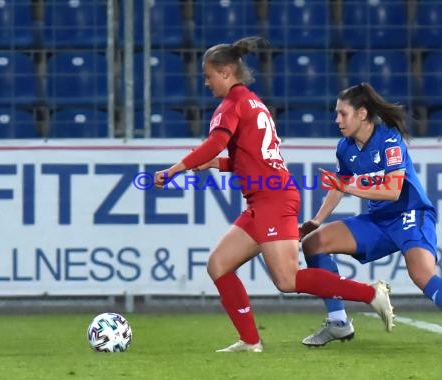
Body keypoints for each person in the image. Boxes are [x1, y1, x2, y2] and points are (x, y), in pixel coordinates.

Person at [153, 37, 394, 353]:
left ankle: (370, 293)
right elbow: (256, 157)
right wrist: (218, 164)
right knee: (219, 265)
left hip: (273, 199)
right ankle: (250, 341)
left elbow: (215, 143)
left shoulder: (230, 106)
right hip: (263, 199)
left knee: (287, 280)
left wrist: (174, 170)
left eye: (208, 75)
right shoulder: (253, 102)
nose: (206, 82)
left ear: (226, 72)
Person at [298, 82, 442, 351]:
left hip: (410, 215)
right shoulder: (345, 147)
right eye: (336, 113)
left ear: (362, 114)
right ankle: (338, 322)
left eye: (342, 113)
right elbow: (339, 184)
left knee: (422, 275)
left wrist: (348, 186)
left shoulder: (390, 140)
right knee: (313, 243)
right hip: (378, 221)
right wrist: (318, 219)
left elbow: (393, 191)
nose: (337, 120)